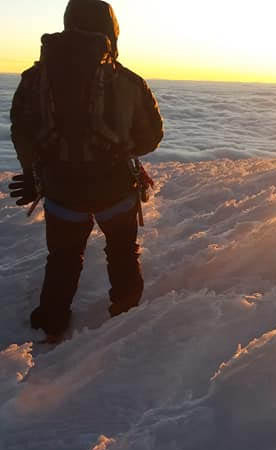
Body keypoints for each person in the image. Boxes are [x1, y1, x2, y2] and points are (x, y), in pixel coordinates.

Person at [9, 0, 163, 341]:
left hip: (61, 189)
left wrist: (34, 173)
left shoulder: (35, 79)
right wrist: (118, 149)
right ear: (111, 31)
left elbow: (21, 129)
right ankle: (125, 324)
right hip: (116, 189)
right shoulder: (126, 80)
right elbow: (152, 136)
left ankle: (51, 324)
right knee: (122, 253)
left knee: (63, 259)